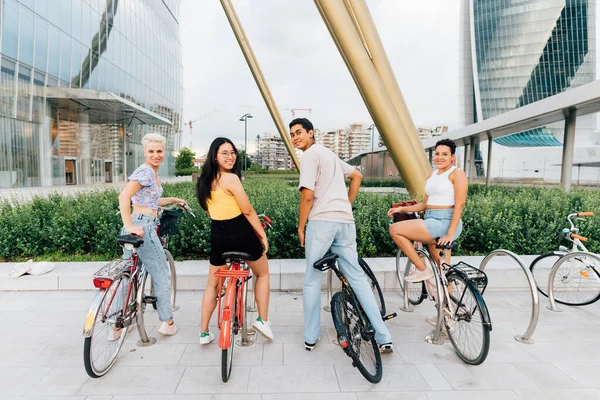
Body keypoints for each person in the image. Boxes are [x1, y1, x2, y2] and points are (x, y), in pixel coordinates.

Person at [290, 118, 393, 353]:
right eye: (292, 134)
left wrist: (300, 226)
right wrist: (346, 204)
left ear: (311, 133)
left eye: (299, 133)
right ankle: (383, 335)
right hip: (345, 222)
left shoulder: (309, 156)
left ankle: (311, 336)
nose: (295, 137)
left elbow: (307, 195)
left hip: (321, 222)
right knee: (357, 278)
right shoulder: (330, 155)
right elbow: (357, 176)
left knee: (312, 279)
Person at [196, 137, 273, 344]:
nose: (230, 157)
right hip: (240, 232)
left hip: (217, 235)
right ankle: (262, 320)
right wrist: (262, 235)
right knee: (263, 272)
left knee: (212, 284)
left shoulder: (204, 181)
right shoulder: (230, 179)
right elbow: (247, 211)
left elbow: (208, 209)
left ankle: (204, 332)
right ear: (215, 156)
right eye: (225, 153)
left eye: (232, 152)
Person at [118, 132, 188, 337]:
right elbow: (124, 195)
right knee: (162, 274)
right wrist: (129, 224)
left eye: (159, 151)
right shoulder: (146, 171)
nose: (156, 155)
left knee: (128, 275)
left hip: (139, 224)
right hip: (143, 228)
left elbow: (151, 201)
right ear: (144, 152)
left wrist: (174, 199)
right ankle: (167, 322)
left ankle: (117, 323)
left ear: (164, 152)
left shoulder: (151, 174)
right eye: (151, 151)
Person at [388, 138, 467, 284]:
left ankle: (421, 268)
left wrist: (449, 234)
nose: (439, 157)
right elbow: (425, 205)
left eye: (444, 154)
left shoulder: (457, 173)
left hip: (445, 222)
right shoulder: (432, 175)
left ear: (452, 157)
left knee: (395, 229)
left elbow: (460, 204)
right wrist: (401, 208)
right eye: (437, 154)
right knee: (443, 271)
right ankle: (448, 304)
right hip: (431, 220)